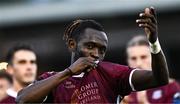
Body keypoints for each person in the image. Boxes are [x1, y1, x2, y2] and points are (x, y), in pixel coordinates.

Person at [16, 7, 169, 103]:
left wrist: (153, 41)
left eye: (102, 50)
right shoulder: (52, 79)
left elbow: (160, 78)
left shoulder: (111, 73)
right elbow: (22, 99)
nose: (96, 54)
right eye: (90, 46)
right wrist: (69, 72)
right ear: (72, 44)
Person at [119, 35, 180, 104]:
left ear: (155, 58)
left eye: (143, 57)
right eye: (133, 58)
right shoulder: (122, 91)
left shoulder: (170, 87)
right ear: (127, 61)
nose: (138, 63)